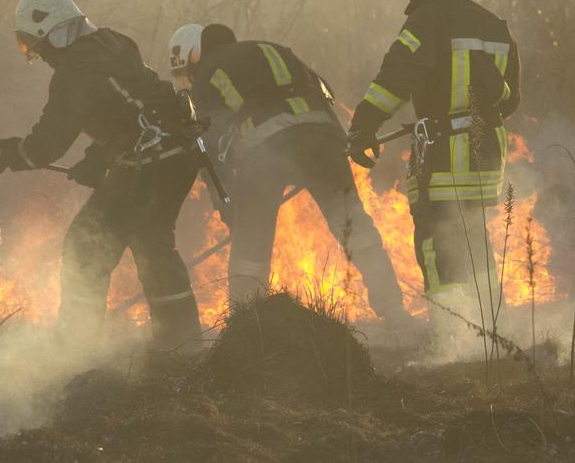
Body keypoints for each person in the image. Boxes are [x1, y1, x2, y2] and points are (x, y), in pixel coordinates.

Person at [0, 0, 202, 349]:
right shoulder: (112, 43)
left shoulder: (74, 73)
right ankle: (182, 343)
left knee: (92, 246)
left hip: (153, 161)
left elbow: (46, 144)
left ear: (50, 32)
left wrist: (7, 154)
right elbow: (130, 106)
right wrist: (97, 159)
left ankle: (77, 346)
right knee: (148, 244)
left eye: (35, 44)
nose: (38, 55)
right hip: (172, 153)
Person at [167, 23, 410, 324]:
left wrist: (228, 204)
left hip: (265, 149)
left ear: (195, 55)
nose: (190, 81)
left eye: (187, 74)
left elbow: (210, 144)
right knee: (354, 228)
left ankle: (244, 324)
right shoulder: (274, 49)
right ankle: (395, 312)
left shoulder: (206, 75)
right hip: (325, 140)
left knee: (251, 245)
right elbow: (326, 93)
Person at [346, 0, 520, 351]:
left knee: (436, 244)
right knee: (475, 242)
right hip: (487, 156)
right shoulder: (495, 26)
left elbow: (395, 78)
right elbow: (510, 100)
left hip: (444, 156)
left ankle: (452, 345)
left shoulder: (425, 21)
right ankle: (491, 341)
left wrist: (363, 127)